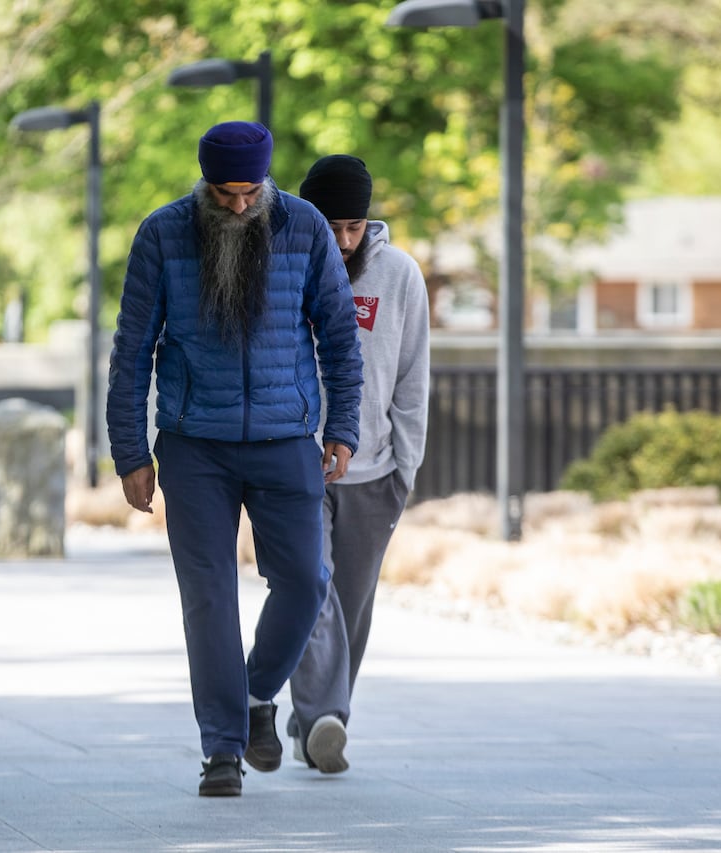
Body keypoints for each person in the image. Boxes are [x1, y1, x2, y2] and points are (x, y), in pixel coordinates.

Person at [106, 121, 363, 797]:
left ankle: (253, 698)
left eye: (253, 192)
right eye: (227, 194)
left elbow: (339, 334)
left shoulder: (304, 228)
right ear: (206, 184)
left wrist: (343, 425)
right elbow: (132, 347)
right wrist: (130, 450)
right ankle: (222, 749)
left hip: (286, 441)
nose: (242, 205)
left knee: (308, 580)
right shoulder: (163, 234)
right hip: (195, 447)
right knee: (209, 594)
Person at [285, 154, 430, 774]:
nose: (343, 240)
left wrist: (406, 467)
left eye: (353, 226)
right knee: (312, 589)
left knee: (351, 603)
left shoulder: (399, 275)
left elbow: (412, 375)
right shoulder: (284, 268)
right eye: (330, 225)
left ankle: (315, 718)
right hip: (298, 464)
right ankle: (326, 719)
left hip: (376, 471)